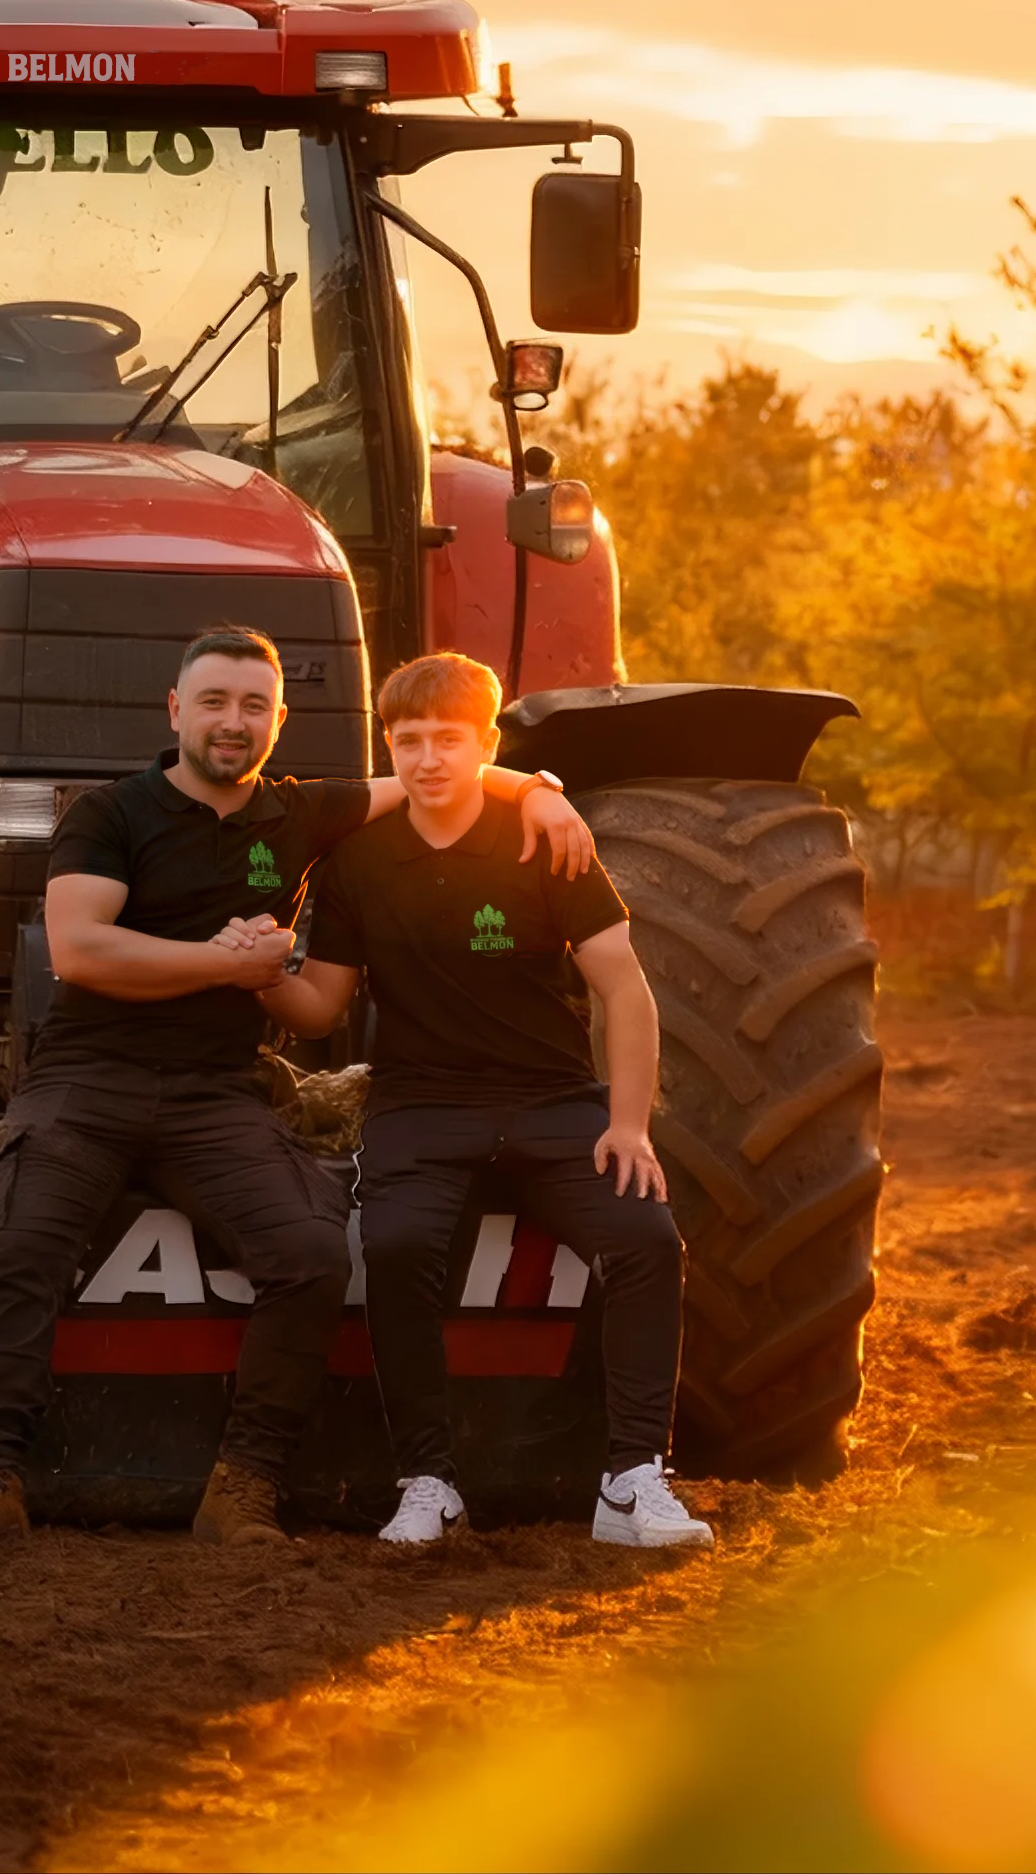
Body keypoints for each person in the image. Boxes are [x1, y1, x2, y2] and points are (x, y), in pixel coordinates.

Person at [0, 627, 593, 1550]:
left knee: (309, 1255)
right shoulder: (110, 813)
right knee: (23, 1236)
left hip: (218, 1090)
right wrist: (225, 965)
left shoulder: (299, 814)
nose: (231, 722)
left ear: (279, 721)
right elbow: (80, 950)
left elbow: (442, 773)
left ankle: (243, 1487)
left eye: (252, 707)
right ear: (176, 711)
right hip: (87, 1078)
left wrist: (542, 791)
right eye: (213, 702)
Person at [261, 650, 710, 1549]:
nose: (428, 759)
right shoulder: (357, 861)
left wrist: (628, 1125)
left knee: (648, 1240)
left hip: (552, 1101)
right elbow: (322, 1007)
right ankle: (429, 1482)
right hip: (421, 1109)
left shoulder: (548, 841)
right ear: (388, 745)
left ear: (487, 745)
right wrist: (260, 968)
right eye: (409, 741)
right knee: (394, 1247)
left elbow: (625, 990)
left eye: (449, 739)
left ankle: (631, 1482)